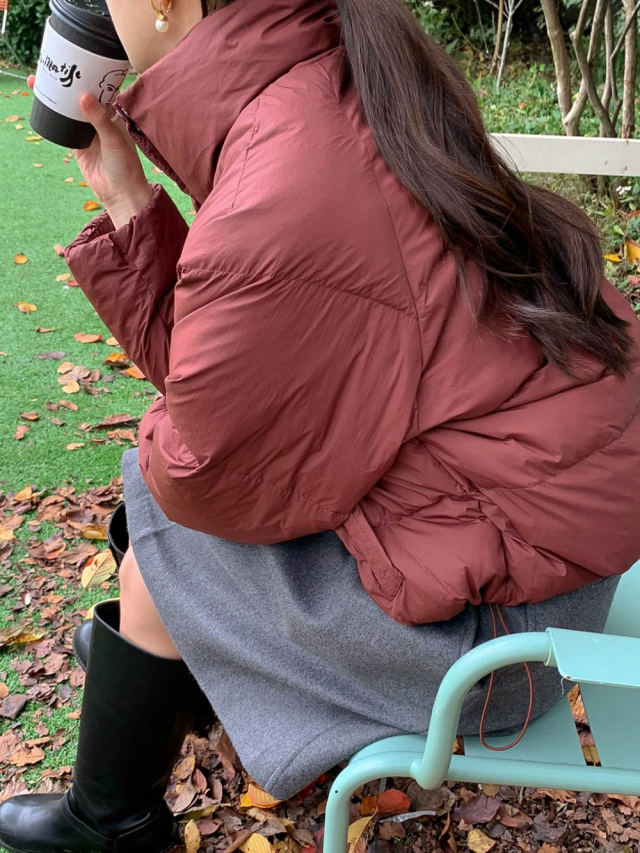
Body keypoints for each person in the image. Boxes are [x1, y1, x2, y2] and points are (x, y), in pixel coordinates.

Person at [2, 0, 640, 850]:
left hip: (501, 648)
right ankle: (168, 671)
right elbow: (249, 386)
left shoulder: (286, 171)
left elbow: (202, 465)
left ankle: (111, 818)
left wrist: (181, 426)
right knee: (173, 499)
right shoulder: (331, 76)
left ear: (163, 5)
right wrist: (127, 201)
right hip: (532, 564)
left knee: (162, 532)